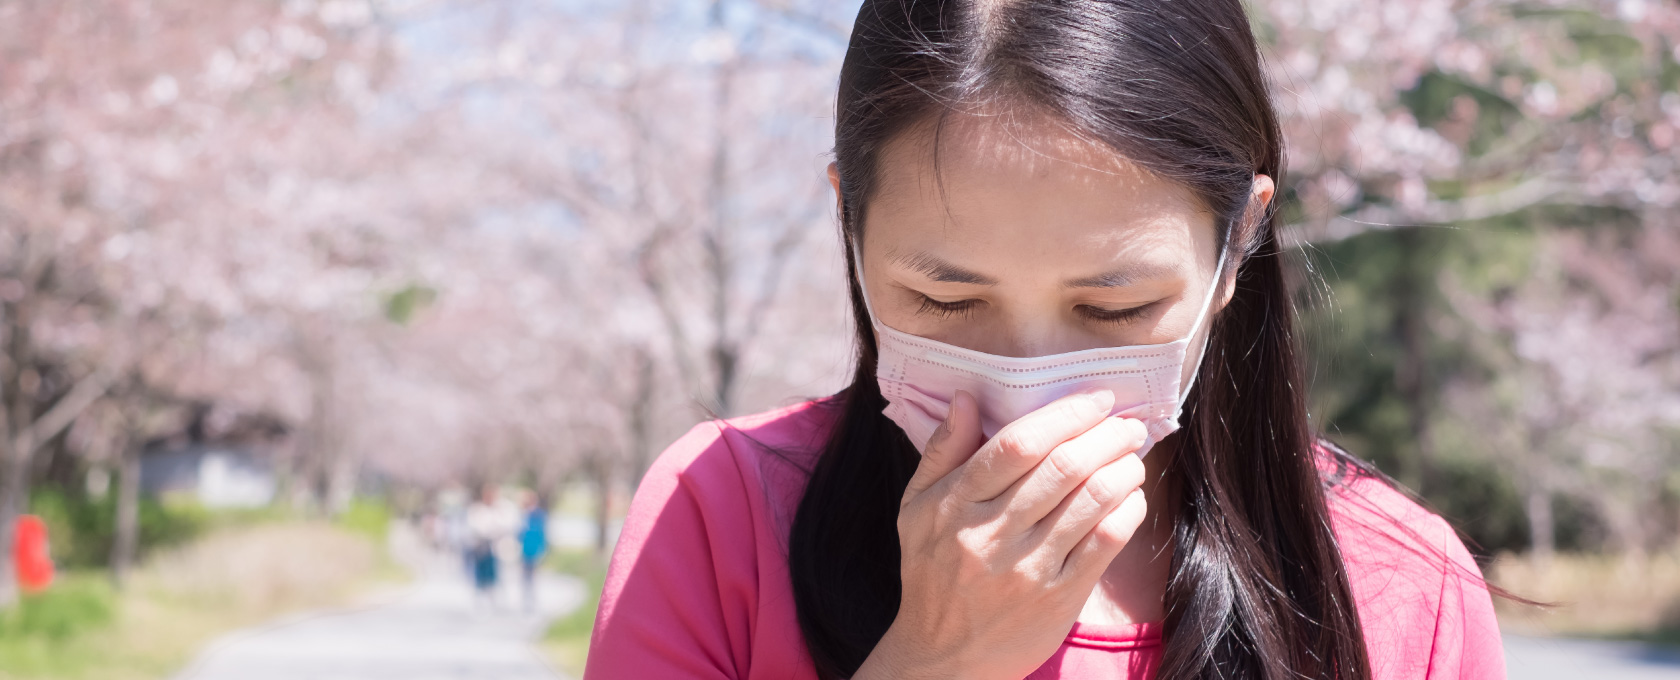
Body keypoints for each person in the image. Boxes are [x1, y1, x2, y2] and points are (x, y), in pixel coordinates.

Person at [586, 1, 1505, 678]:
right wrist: (935, 659)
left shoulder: (1395, 585)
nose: (1028, 387)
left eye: (1115, 311)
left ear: (1237, 249)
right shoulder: (719, 520)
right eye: (945, 300)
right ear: (849, 222)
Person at [518, 490, 550, 612]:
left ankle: (533, 599)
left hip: (535, 549)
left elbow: (542, 533)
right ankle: (526, 598)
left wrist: (543, 549)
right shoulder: (523, 515)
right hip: (524, 550)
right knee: (524, 576)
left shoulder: (538, 515)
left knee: (534, 575)